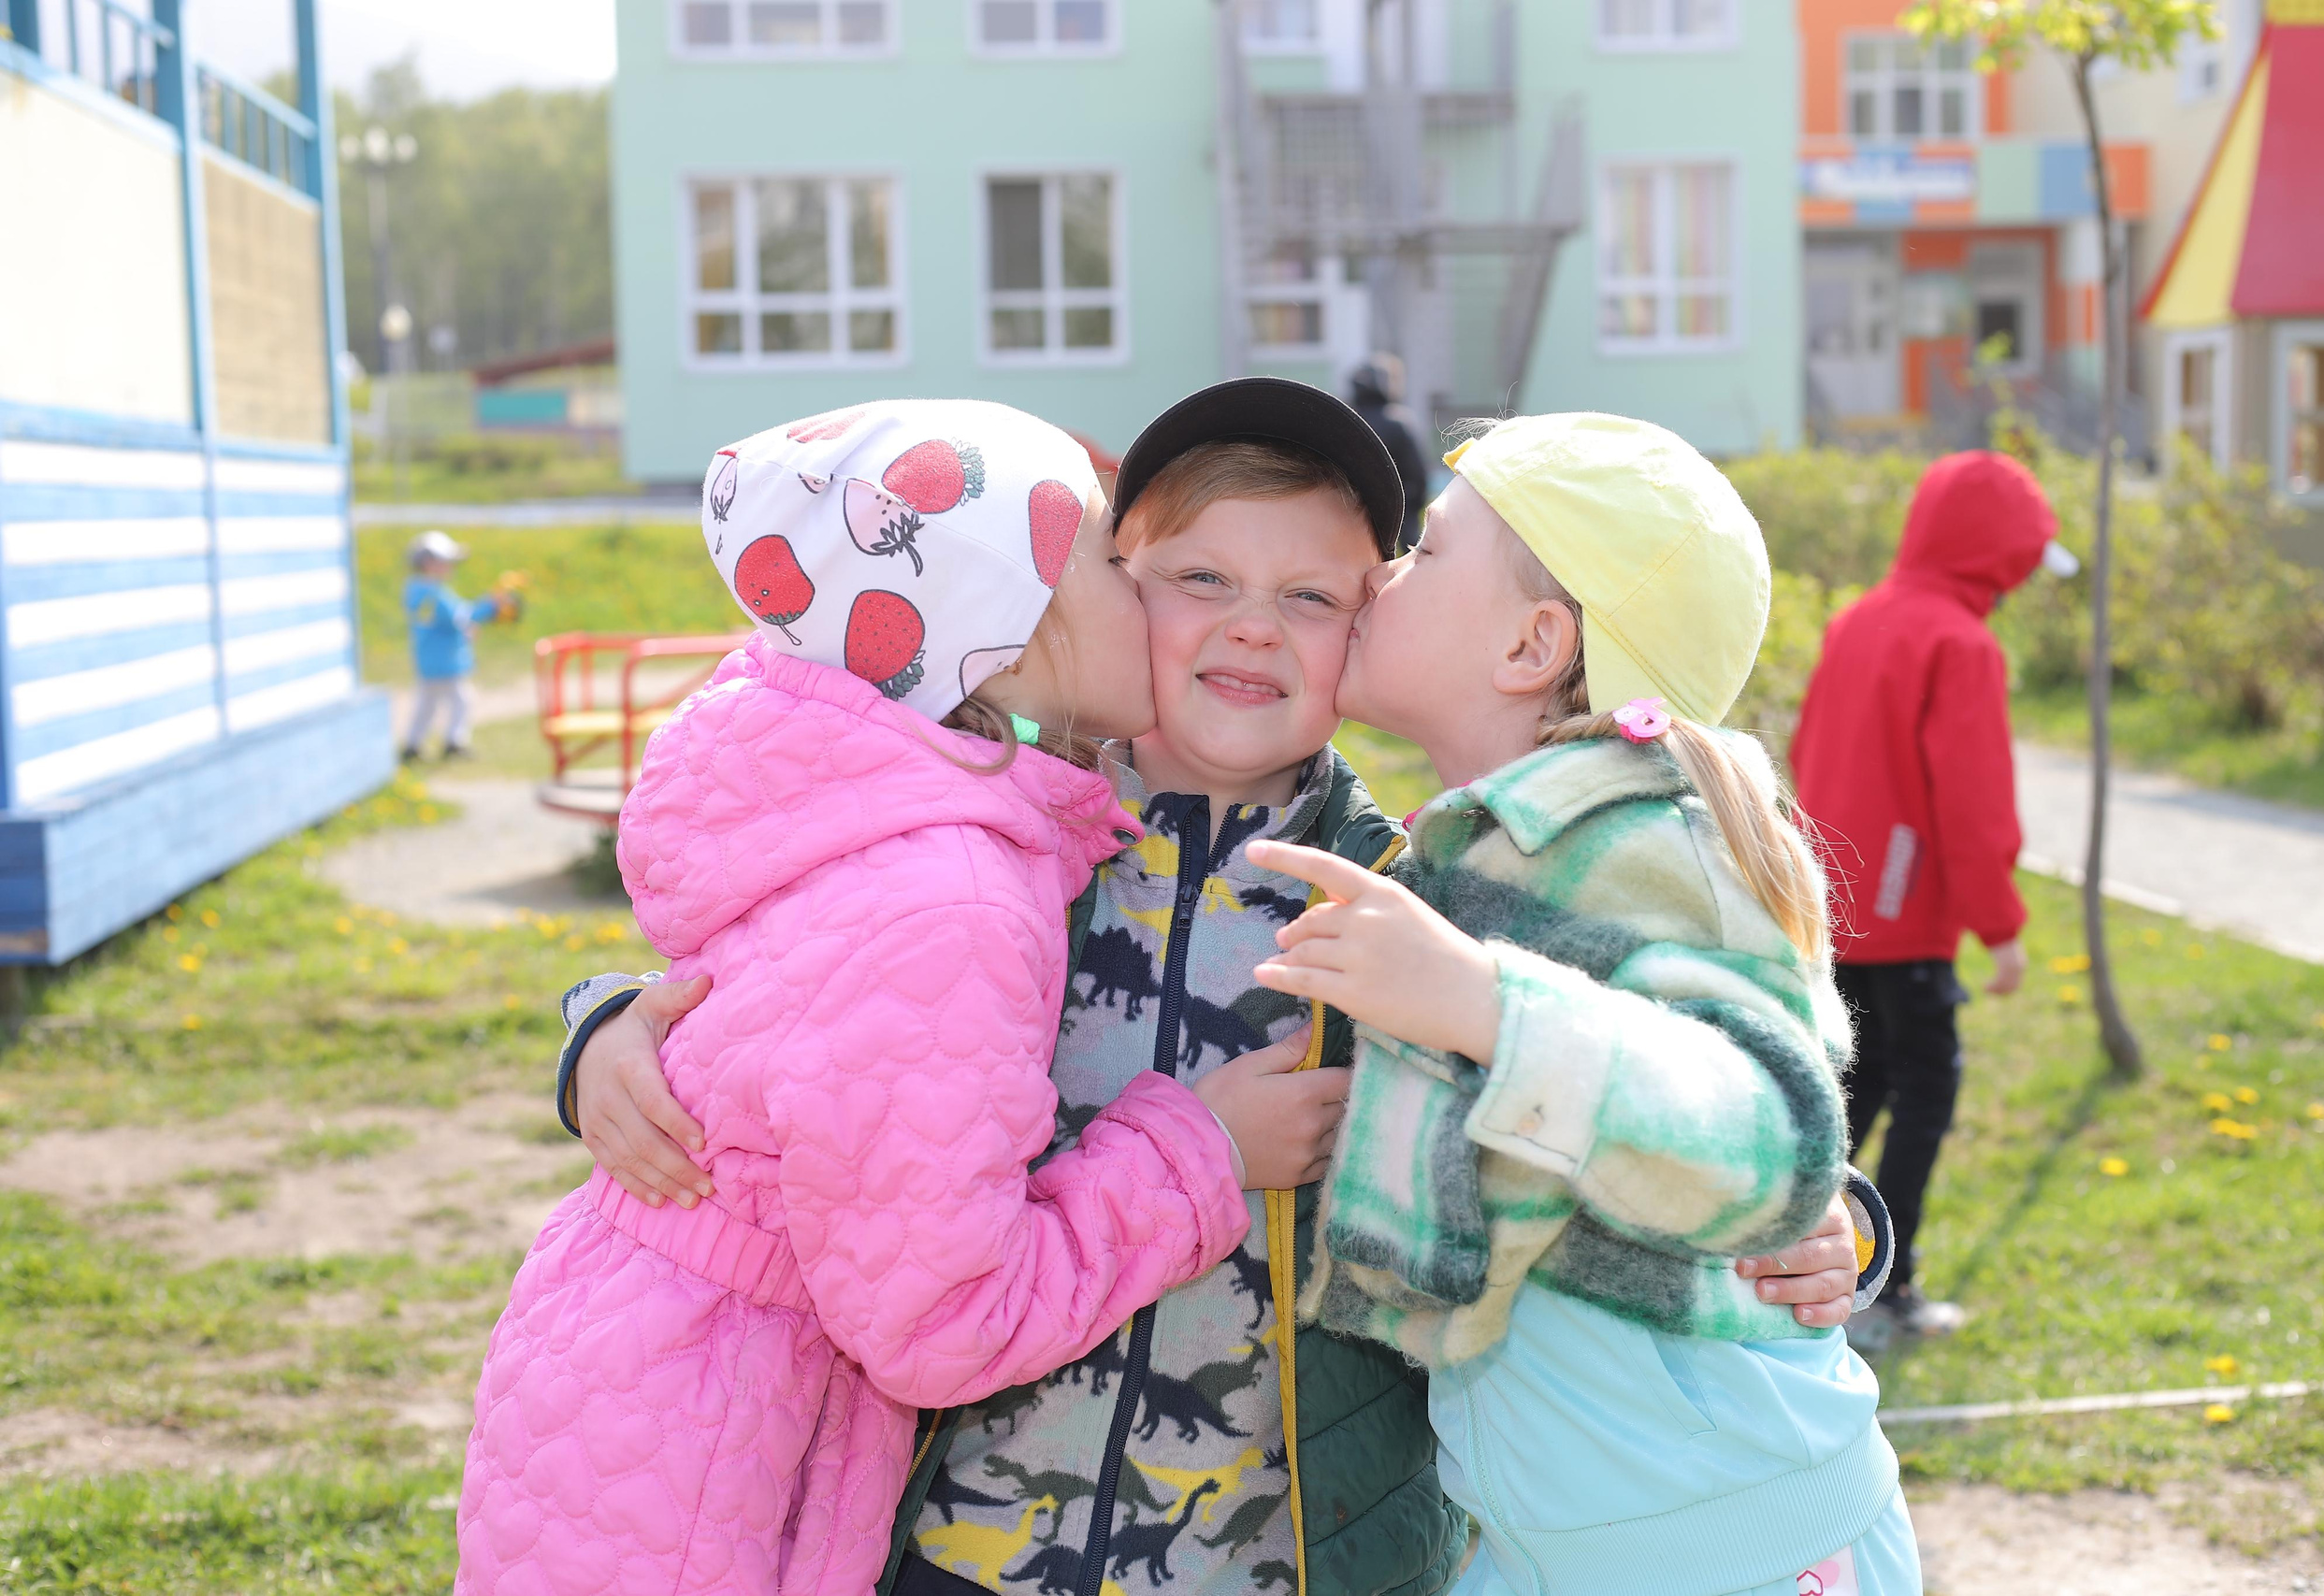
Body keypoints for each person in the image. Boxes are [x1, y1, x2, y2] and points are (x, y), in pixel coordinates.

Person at [551, 381, 1870, 1596]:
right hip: (956, 1539)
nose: (1252, 623)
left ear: (1370, 631)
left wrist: (1831, 1223)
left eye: (1315, 595)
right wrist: (614, 1024)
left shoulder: (1412, 908)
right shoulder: (989, 849)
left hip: (1290, 1553)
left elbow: (1650, 1076)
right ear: (1106, 589)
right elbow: (791, 1006)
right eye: (1198, 576)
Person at [455, 401, 1275, 1596]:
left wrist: (601, 1020)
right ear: (1004, 625)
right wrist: (1197, 1153)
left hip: (634, 1389)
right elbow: (942, 1320)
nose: (1146, 594)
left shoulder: (870, 803)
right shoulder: (954, 901)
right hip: (712, 1465)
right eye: (1109, 560)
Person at [1251, 411, 1916, 1596]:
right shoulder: (1472, 856)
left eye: (1425, 552)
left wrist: (1486, 1008)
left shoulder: (1649, 845)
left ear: (1532, 644)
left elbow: (1768, 1132)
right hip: (1549, 1538)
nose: (1375, 575)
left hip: (1727, 1551)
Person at [1789, 450, 2068, 1341]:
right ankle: (1887, 1281)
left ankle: (1793, 1247)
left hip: (1836, 898)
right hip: (1906, 914)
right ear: (1997, 556)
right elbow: (1973, 801)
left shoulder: (1861, 619)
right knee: (1924, 1085)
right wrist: (2002, 926)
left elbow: (1808, 747)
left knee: (1851, 1084)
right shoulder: (1961, 643)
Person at [401, 529, 512, 761]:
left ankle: (413, 744)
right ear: (430, 563)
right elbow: (461, 616)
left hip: (428, 660)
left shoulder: (415, 591)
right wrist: (491, 606)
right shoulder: (434, 593)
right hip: (446, 661)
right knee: (462, 700)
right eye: (447, 562)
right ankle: (454, 742)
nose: (451, 567)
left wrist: (465, 625)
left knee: (427, 705)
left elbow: (446, 621)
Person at [1350, 355, 1428, 548]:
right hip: (1400, 504)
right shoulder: (1398, 421)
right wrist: (1413, 502)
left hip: (1354, 507)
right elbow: (1417, 473)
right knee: (1412, 557)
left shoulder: (1347, 420)